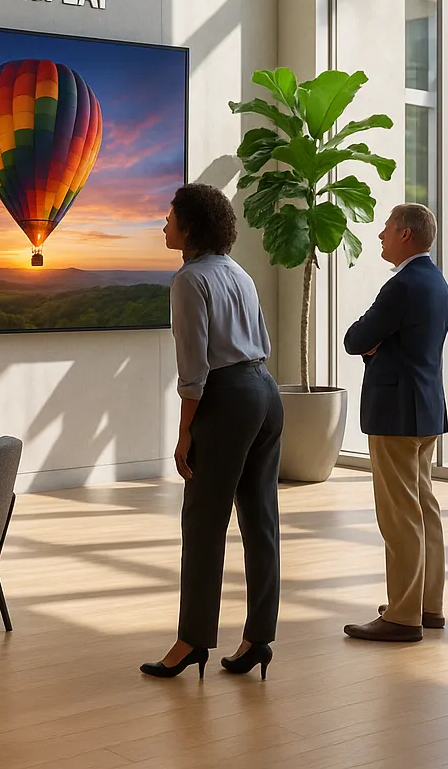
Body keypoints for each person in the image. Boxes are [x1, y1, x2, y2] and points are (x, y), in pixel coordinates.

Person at [141, 183, 282, 681]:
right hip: (266, 390)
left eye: (170, 217)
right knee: (261, 520)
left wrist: (184, 435)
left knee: (203, 524)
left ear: (190, 227)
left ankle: (192, 641)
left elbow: (194, 371)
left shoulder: (188, 280)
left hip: (226, 399)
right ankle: (257, 639)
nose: (164, 224)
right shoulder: (238, 272)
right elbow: (260, 340)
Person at [342, 203, 448, 643]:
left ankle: (403, 616)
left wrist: (375, 346)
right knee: (424, 508)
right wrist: (381, 345)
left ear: (406, 235)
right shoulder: (437, 281)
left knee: (400, 516)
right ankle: (429, 605)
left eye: (386, 228)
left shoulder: (401, 285)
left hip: (395, 414)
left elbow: (355, 339)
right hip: (425, 410)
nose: (380, 236)